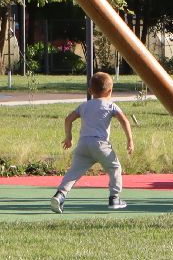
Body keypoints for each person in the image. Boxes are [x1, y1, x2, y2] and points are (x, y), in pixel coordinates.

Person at [51, 71, 134, 212]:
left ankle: (60, 196)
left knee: (73, 172)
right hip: (100, 145)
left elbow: (68, 119)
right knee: (114, 168)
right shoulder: (111, 105)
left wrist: (68, 137)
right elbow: (124, 121)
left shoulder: (84, 106)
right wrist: (130, 140)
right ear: (110, 91)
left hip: (83, 145)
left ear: (90, 91)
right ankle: (114, 198)